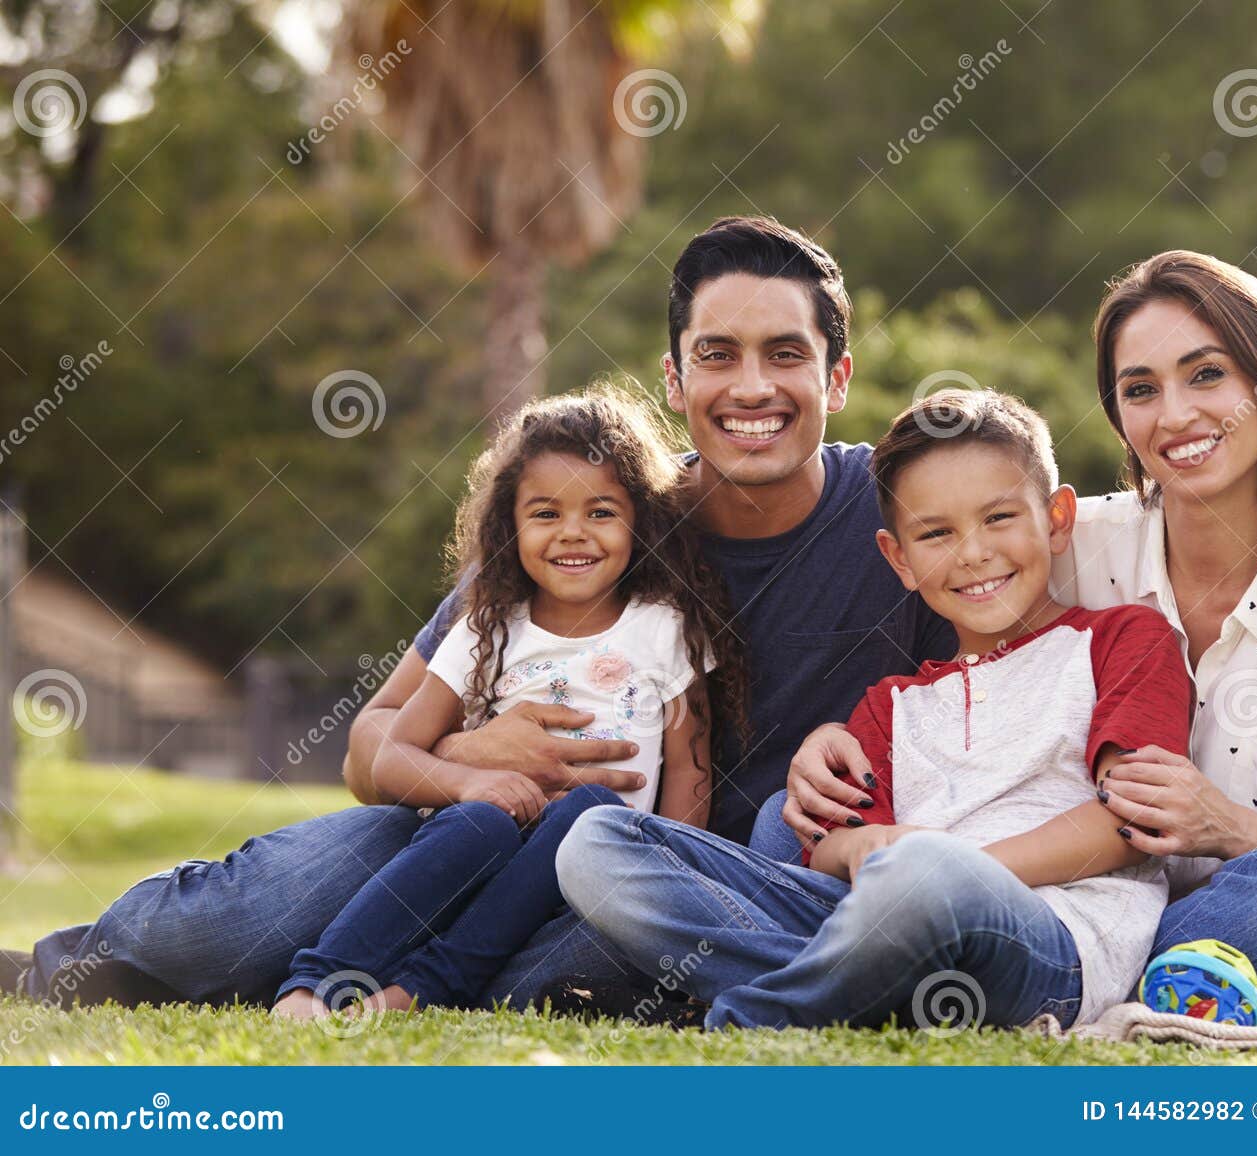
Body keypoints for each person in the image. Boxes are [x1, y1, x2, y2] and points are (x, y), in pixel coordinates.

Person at [9, 216, 955, 1010]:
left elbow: (1024, 570)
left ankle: (395, 983)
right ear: (675, 381)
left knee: (563, 973)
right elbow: (366, 750)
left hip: (667, 886)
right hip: (475, 832)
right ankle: (55, 972)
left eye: (785, 355)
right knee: (251, 914)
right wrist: (469, 756)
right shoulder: (593, 529)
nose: (751, 387)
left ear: (835, 379)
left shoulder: (903, 516)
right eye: (718, 355)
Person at [778, 250, 1257, 1012]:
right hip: (1049, 895)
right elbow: (944, 638)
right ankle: (1006, 968)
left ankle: (1050, 980)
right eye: (1140, 389)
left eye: (1207, 375)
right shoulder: (1072, 543)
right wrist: (830, 739)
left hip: (1214, 924)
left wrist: (1224, 826)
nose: (1175, 415)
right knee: (789, 823)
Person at [558, 390, 1195, 1030]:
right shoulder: (890, 705)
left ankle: (761, 1016)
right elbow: (832, 852)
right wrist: (874, 849)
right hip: (874, 921)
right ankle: (855, 991)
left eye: (998, 518)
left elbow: (1129, 820)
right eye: (937, 533)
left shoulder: (1122, 640)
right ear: (899, 558)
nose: (972, 553)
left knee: (917, 875)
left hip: (1051, 938)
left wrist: (939, 867)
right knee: (596, 843)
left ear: (1056, 518)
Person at [272, 387, 744, 1019]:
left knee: (591, 812)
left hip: (596, 868)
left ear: (641, 519)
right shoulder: (485, 627)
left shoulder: (666, 629)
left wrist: (675, 890)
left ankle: (416, 993)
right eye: (545, 514)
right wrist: (468, 782)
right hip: (482, 849)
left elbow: (691, 770)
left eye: (601, 512)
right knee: (480, 821)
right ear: (509, 524)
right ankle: (317, 984)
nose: (573, 533)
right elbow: (388, 755)